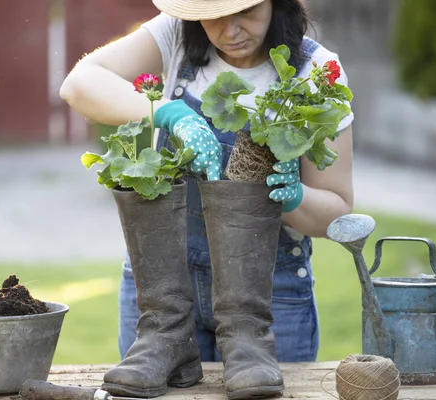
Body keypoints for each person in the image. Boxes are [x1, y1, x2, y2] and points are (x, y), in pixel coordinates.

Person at [60, 0, 354, 398]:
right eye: (212, 15)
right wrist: (165, 112)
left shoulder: (314, 71)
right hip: (162, 292)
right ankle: (168, 337)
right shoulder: (175, 34)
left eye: (245, 12)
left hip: (271, 295)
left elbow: (337, 211)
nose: (229, 30)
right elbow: (79, 84)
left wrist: (293, 197)